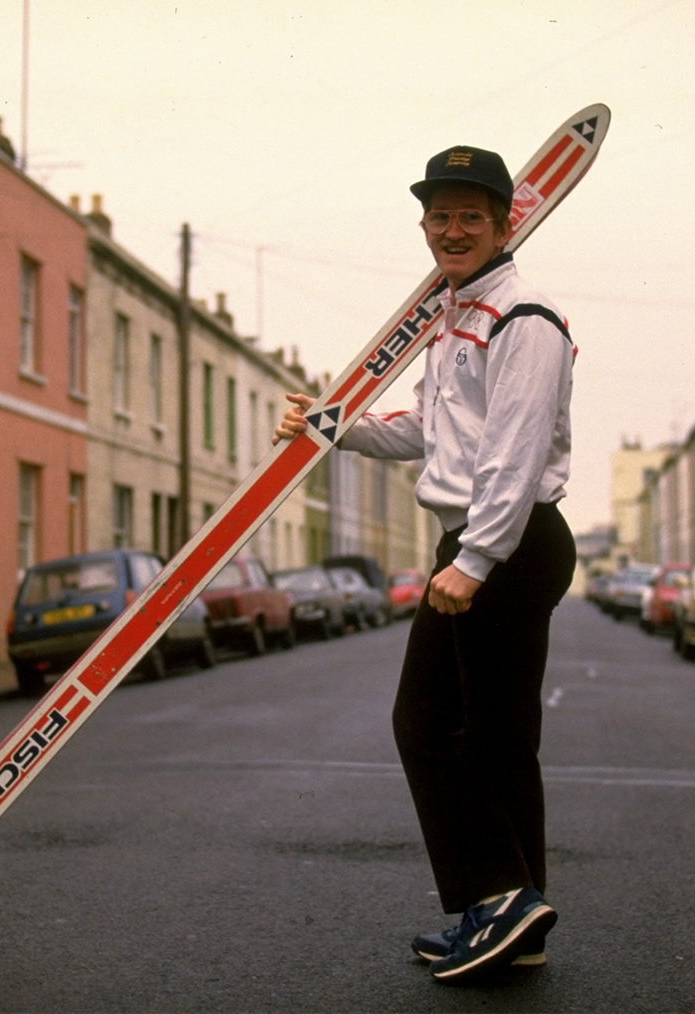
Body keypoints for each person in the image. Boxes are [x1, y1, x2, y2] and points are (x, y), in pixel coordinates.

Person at [273, 145, 577, 982]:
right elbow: (430, 433)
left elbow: (512, 453)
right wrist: (332, 425)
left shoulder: (526, 319)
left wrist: (475, 559)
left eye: (470, 216)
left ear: (506, 222)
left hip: (502, 542)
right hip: (488, 541)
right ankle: (513, 922)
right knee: (498, 739)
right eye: (439, 217)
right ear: (425, 225)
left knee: (426, 723)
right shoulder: (454, 318)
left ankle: (501, 898)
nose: (452, 230)